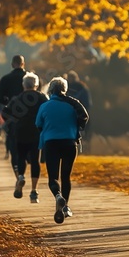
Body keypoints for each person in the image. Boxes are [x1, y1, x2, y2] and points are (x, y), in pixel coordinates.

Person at [36, 76, 89, 224]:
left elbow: (38, 124)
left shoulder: (45, 106)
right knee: (66, 176)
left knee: (53, 177)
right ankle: (65, 207)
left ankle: (58, 196)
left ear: (51, 90)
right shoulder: (72, 105)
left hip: (51, 143)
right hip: (69, 143)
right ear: (64, 90)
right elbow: (83, 118)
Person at [5, 72, 47, 203]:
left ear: (23, 85)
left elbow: (5, 113)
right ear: (36, 84)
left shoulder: (17, 99)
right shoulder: (42, 98)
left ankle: (21, 177)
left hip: (20, 132)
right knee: (35, 160)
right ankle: (34, 192)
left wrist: (12, 123)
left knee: (21, 157)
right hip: (36, 133)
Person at [0, 55, 28, 173]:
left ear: (12, 64)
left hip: (13, 115)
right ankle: (27, 159)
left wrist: (8, 102)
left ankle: (17, 172)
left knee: (13, 142)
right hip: (28, 114)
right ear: (23, 64)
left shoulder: (5, 79)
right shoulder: (30, 78)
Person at [66, 70, 92, 152]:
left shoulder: (66, 88)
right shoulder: (83, 88)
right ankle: (83, 148)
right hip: (79, 113)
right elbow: (88, 104)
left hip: (69, 114)